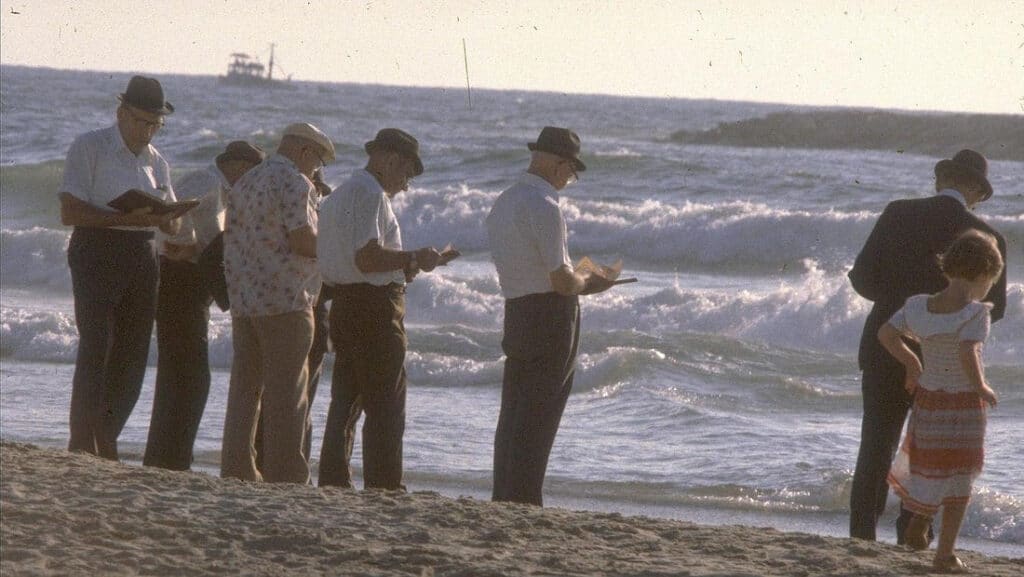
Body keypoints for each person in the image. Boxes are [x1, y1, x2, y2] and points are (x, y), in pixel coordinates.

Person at [847, 149, 1007, 543]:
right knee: (930, 457)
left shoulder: (898, 213)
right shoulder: (988, 237)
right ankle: (911, 538)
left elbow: (861, 278)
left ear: (942, 179)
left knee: (875, 447)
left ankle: (861, 538)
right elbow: (994, 308)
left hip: (886, 344)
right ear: (973, 188)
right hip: (946, 363)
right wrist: (946, 317)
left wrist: (906, 307)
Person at [485, 126, 615, 506]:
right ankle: (525, 497)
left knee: (513, 412)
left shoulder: (504, 201)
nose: (569, 180)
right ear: (560, 165)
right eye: (571, 173)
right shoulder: (545, 205)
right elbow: (561, 280)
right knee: (540, 413)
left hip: (517, 310)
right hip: (550, 315)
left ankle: (505, 494)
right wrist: (593, 281)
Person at [58, 75, 182, 460]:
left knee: (133, 351)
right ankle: (82, 439)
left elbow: (172, 220)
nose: (148, 131)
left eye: (155, 124)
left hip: (142, 252)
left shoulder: (156, 161)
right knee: (97, 344)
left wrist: (169, 217)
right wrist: (121, 218)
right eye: (142, 121)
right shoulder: (91, 146)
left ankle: (106, 435)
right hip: (96, 248)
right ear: (121, 114)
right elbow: (69, 210)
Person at [317, 128, 446, 490]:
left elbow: (350, 258)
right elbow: (367, 257)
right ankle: (385, 484)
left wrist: (405, 265)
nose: (405, 185)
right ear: (389, 161)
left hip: (345, 302)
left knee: (346, 398)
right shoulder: (369, 194)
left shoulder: (341, 194)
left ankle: (334, 478)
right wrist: (413, 257)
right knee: (386, 403)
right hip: (373, 308)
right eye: (406, 173)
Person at [878, 230, 1003, 573]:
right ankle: (945, 554)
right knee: (960, 476)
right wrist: (981, 386)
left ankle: (920, 517)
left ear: (949, 269)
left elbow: (886, 334)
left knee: (932, 468)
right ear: (983, 274)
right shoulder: (976, 313)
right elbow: (968, 351)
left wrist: (912, 363)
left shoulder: (919, 306)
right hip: (963, 405)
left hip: (928, 401)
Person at [220, 123, 335, 484]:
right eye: (318, 161)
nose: (316, 170)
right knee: (288, 397)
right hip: (286, 301)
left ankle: (237, 468)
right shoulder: (296, 183)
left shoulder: (247, 182)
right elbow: (302, 240)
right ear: (304, 152)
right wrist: (336, 249)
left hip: (246, 300)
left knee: (245, 391)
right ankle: (286, 475)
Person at [143, 141, 265, 471]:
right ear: (239, 166)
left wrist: (191, 247)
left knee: (180, 374)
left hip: (186, 279)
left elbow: (203, 240)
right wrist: (182, 247)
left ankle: (167, 456)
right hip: (179, 280)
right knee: (192, 376)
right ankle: (173, 457)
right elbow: (172, 218)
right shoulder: (208, 183)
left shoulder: (219, 190)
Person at [254, 169, 334, 470]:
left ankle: (266, 459)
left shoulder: (270, 209)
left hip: (276, 304)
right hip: (305, 305)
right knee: (299, 397)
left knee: (279, 393)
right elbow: (322, 258)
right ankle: (288, 463)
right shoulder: (307, 214)